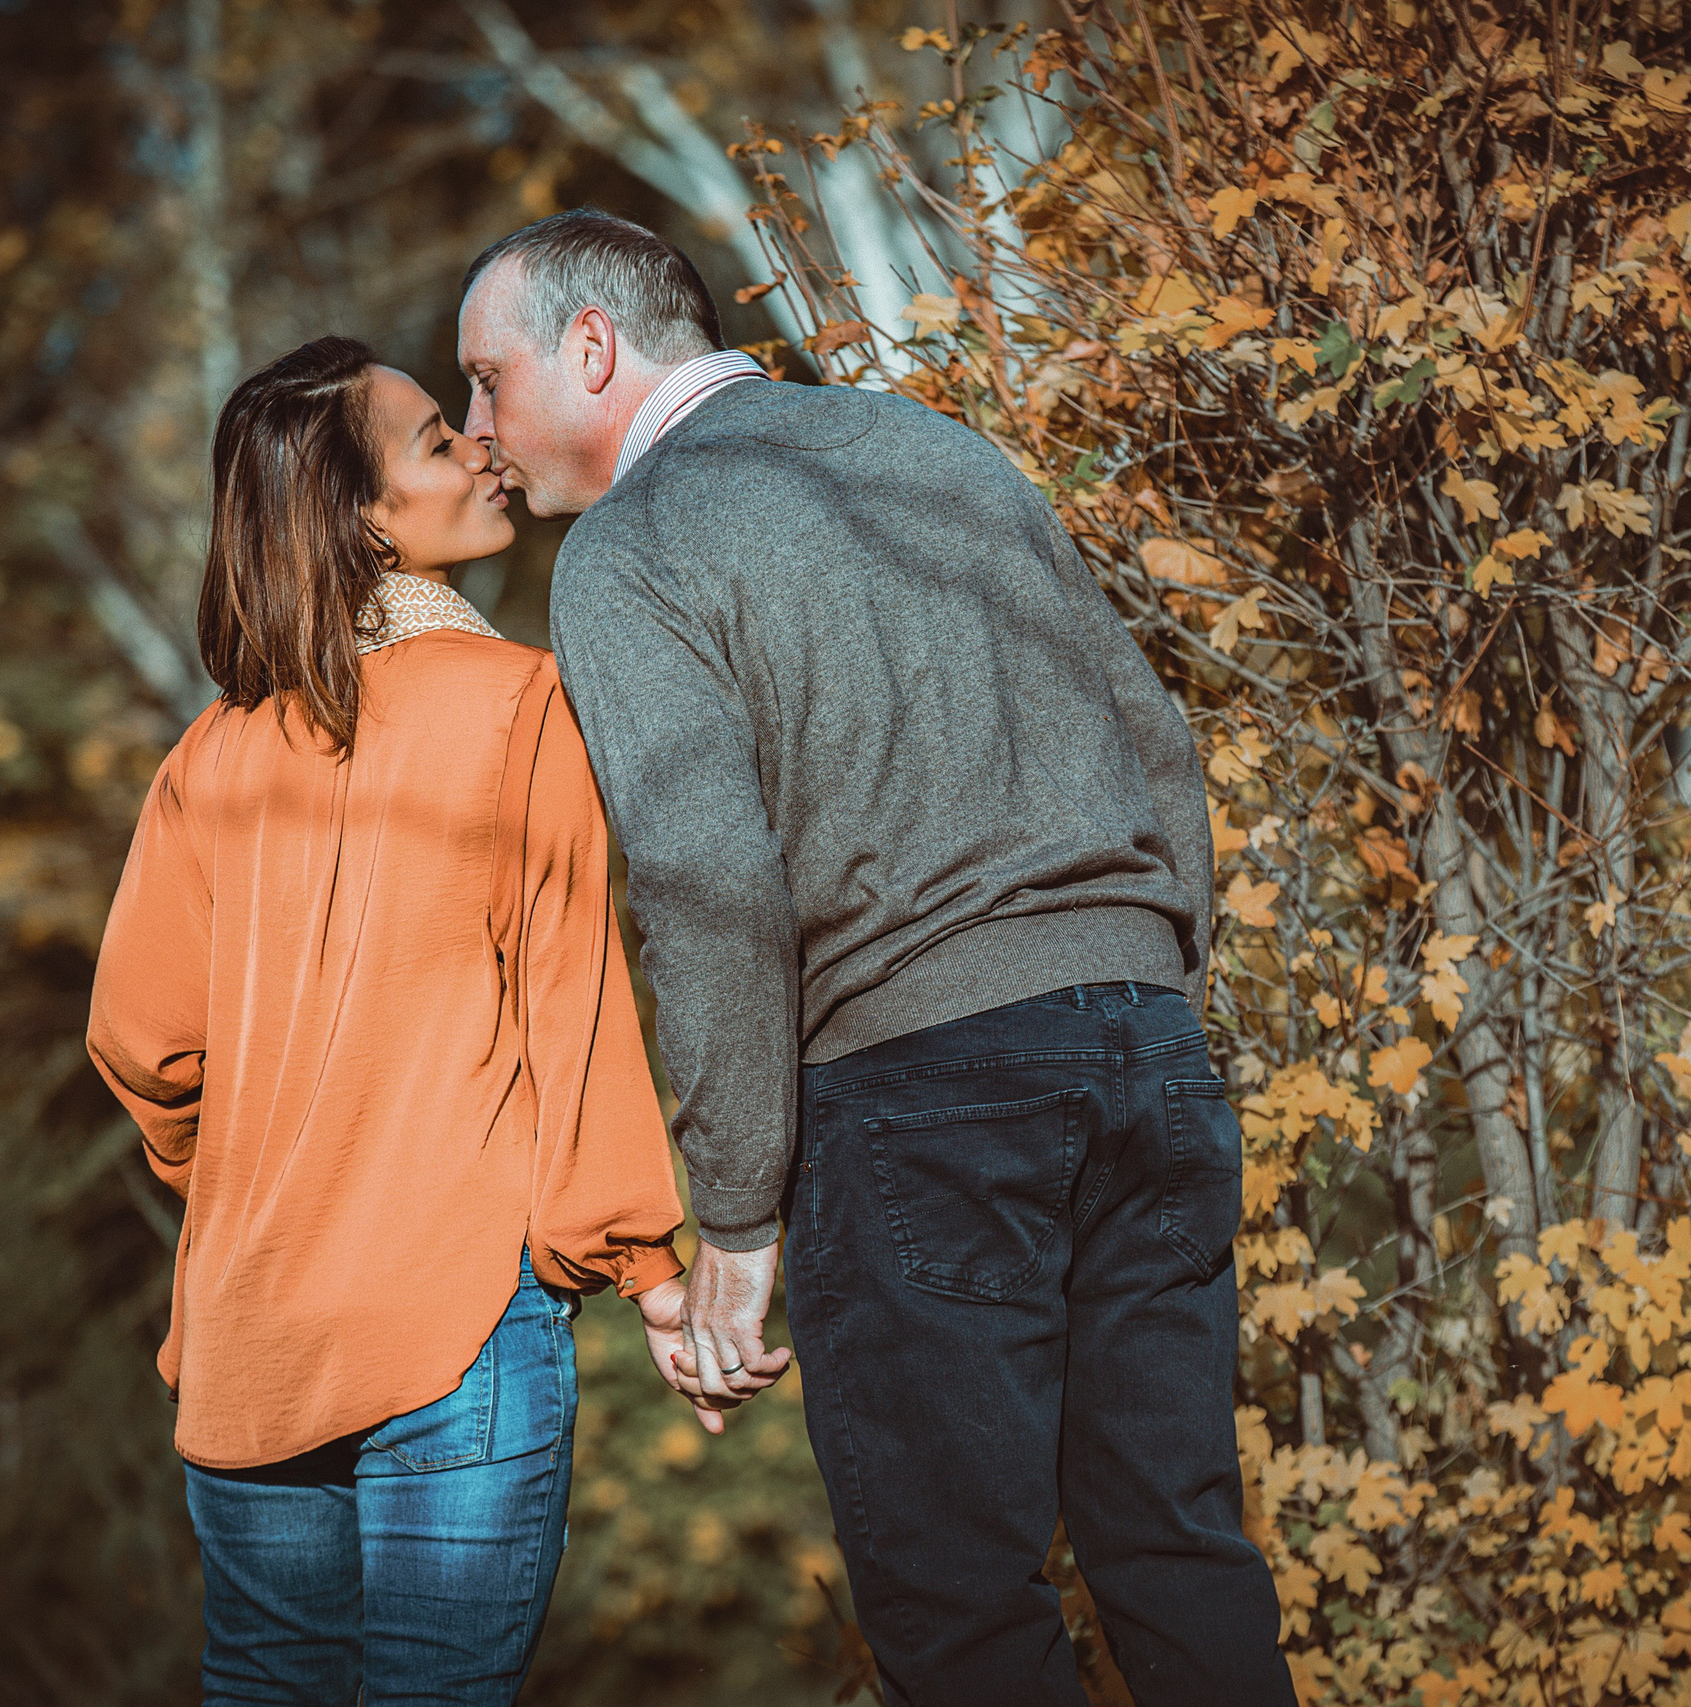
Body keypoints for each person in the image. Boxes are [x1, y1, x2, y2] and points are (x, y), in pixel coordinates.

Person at [456, 210, 1295, 1707]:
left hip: (922, 1092)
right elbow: (1155, 743)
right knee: (1176, 1553)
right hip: (1145, 1052)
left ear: (591, 348)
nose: (478, 431)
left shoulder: (630, 548)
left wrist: (733, 1218)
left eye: (485, 382)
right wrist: (1150, 992)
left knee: (958, 1615)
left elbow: (710, 888)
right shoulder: (933, 449)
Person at [87, 335, 700, 1704]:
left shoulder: (211, 755)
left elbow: (144, 1045)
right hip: (455, 1324)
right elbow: (574, 1005)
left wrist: (240, 1175)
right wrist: (650, 1271)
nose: (483, 446)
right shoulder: (518, 703)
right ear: (365, 517)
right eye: (437, 439)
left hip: (252, 1331)